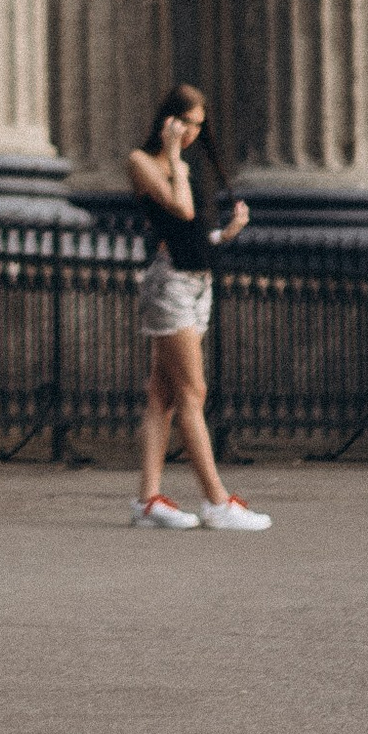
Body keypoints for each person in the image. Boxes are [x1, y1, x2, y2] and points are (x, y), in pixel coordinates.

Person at [128, 83, 268, 533]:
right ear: (167, 120)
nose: (191, 132)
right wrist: (173, 157)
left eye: (198, 125)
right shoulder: (144, 161)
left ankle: (147, 500)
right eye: (185, 122)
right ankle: (216, 500)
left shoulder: (176, 164)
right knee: (193, 393)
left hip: (194, 282)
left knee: (162, 395)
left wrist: (225, 235)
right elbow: (181, 210)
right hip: (168, 286)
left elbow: (192, 235)